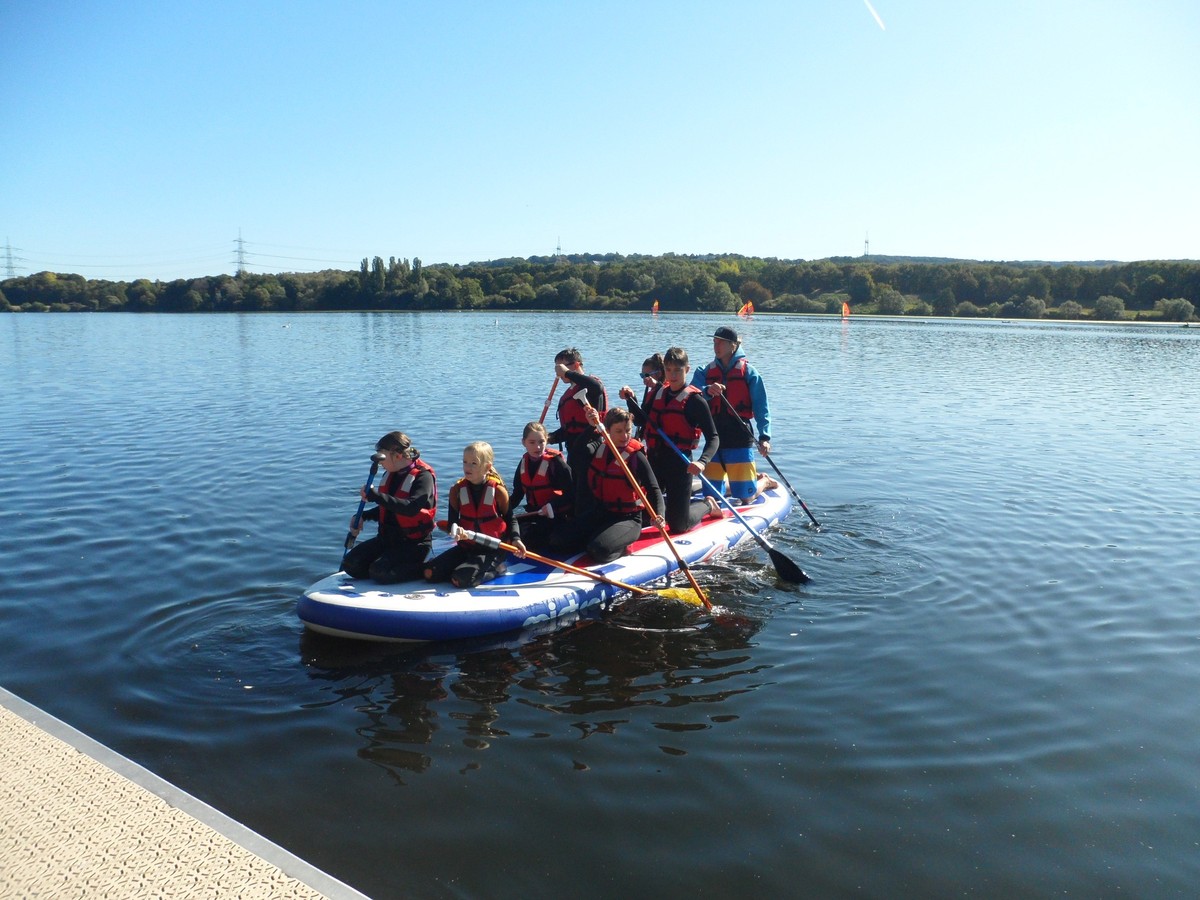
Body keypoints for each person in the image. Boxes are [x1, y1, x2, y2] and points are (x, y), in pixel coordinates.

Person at [625, 346, 720, 534]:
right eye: (669, 370)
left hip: (679, 465)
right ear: (664, 371)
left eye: (678, 370)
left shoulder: (696, 402)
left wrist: (702, 462)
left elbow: (714, 438)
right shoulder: (658, 393)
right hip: (655, 462)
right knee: (645, 516)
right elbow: (643, 420)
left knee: (679, 525)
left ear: (687, 369)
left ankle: (708, 504)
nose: (673, 374)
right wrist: (630, 399)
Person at [551, 407, 664, 564]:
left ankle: (623, 546)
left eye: (627, 430)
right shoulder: (600, 448)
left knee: (598, 550)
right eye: (618, 431)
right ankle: (601, 538)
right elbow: (576, 453)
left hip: (628, 518)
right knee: (558, 540)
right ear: (608, 431)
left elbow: (653, 489)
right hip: (602, 513)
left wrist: (659, 515)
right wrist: (591, 426)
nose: (624, 436)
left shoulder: (636, 455)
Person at [691, 326, 772, 501]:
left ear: (733, 346)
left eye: (721, 343)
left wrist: (764, 437)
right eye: (714, 342)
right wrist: (706, 390)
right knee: (711, 496)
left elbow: (761, 405)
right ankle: (732, 482)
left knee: (745, 496)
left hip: (739, 437)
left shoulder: (749, 372)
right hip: (714, 438)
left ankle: (763, 481)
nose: (716, 346)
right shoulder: (704, 371)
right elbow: (692, 392)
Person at [343, 431, 437, 583]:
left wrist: (376, 496)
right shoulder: (391, 473)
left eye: (382, 455)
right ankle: (386, 565)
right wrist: (363, 516)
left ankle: (423, 567)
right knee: (351, 565)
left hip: (413, 544)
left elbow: (411, 508)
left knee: (379, 571)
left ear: (397, 455)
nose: (380, 462)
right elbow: (388, 508)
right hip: (387, 540)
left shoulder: (423, 477)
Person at [425, 441, 514, 589]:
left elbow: (511, 519)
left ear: (487, 467)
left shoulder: (498, 491)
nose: (467, 467)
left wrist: (516, 539)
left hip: (492, 549)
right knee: (429, 573)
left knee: (460, 579)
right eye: (465, 462)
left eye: (474, 463)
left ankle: (497, 569)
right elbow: (453, 522)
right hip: (467, 547)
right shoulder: (457, 490)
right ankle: (463, 568)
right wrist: (455, 530)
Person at [508, 422, 574, 554]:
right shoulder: (523, 462)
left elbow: (573, 493)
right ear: (523, 442)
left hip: (557, 515)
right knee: (507, 531)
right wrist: (502, 510)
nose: (537, 447)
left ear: (546, 441)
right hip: (535, 513)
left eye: (541, 442)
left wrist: (552, 505)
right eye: (532, 442)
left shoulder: (556, 463)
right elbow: (517, 494)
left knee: (548, 541)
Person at [546, 347, 608, 471]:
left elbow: (597, 387)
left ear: (576, 365)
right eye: (557, 369)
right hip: (573, 446)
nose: (559, 372)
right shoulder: (570, 392)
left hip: (590, 444)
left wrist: (567, 373)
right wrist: (548, 438)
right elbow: (570, 429)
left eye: (562, 368)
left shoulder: (590, 387)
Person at [625, 352, 665, 439]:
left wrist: (657, 385)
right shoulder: (651, 393)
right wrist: (631, 398)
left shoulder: (667, 391)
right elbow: (639, 420)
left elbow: (640, 421)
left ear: (659, 373)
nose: (644, 379)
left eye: (647, 375)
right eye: (642, 375)